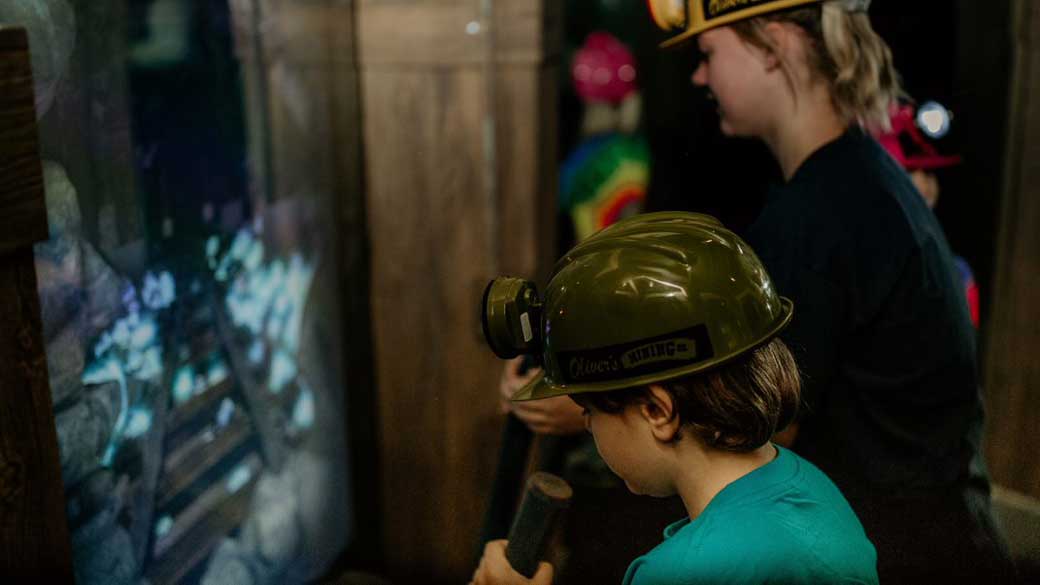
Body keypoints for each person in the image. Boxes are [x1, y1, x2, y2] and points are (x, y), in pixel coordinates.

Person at [646, 0, 1014, 582]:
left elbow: (757, 424)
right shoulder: (859, 180)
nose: (699, 75)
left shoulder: (818, 215)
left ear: (776, 44)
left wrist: (613, 402)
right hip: (936, 534)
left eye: (708, 53)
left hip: (899, 553)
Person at [473, 212, 879, 585]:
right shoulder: (812, 488)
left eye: (588, 409)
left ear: (657, 411)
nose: (586, 424)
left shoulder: (682, 571)